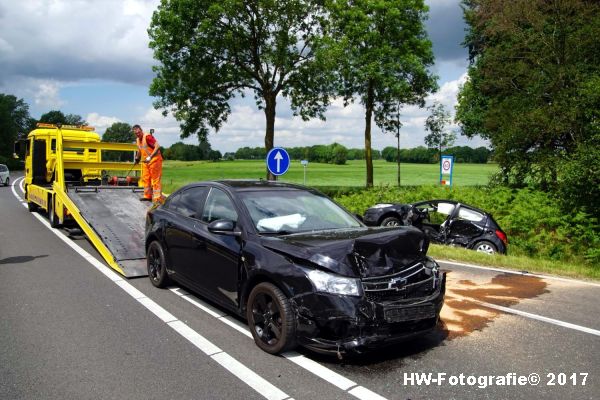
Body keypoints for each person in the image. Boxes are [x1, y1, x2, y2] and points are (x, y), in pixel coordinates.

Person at [133, 124, 165, 204]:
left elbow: (157, 146)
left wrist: (150, 157)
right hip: (145, 162)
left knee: (155, 179)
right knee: (146, 178)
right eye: (136, 133)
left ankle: (158, 198)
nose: (138, 134)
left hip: (155, 160)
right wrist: (137, 158)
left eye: (139, 132)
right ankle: (147, 196)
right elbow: (140, 150)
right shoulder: (137, 139)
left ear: (141, 130)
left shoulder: (147, 137)